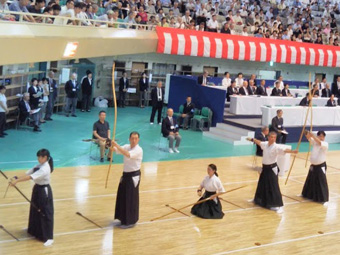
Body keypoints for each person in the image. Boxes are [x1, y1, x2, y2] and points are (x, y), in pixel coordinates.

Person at [9, 149, 54, 246]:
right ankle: (34, 230)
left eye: (40, 157)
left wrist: (17, 182)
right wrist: (16, 178)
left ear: (45, 158)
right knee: (34, 208)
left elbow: (30, 177)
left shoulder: (45, 168)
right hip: (37, 189)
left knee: (44, 212)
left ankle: (48, 237)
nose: (38, 159)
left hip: (44, 191)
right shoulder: (38, 165)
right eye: (37, 157)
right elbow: (28, 173)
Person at [249, 132, 297, 213]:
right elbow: (259, 142)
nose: (273, 139)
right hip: (265, 168)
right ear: (268, 137)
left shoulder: (276, 147)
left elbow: (284, 150)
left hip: (272, 168)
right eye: (271, 137)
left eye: (274, 137)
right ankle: (258, 200)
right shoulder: (265, 144)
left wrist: (292, 151)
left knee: (273, 186)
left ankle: (277, 205)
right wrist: (252, 139)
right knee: (262, 184)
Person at [111, 132, 143, 229]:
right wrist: (109, 144)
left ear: (138, 140)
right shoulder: (126, 146)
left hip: (133, 176)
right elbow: (115, 149)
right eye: (132, 138)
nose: (134, 140)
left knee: (130, 199)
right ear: (129, 139)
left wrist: (116, 145)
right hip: (125, 175)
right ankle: (123, 219)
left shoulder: (138, 150)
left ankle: (130, 222)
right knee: (123, 197)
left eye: (136, 138)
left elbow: (127, 154)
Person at [301, 131, 329, 204]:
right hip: (313, 166)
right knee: (310, 180)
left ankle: (323, 199)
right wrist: (306, 132)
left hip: (320, 166)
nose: (321, 137)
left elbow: (319, 142)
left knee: (321, 182)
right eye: (320, 136)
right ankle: (308, 195)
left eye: (322, 136)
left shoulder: (325, 144)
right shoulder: (315, 142)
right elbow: (308, 137)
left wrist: (313, 136)